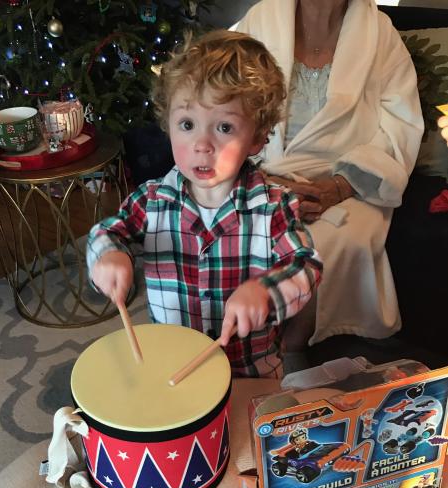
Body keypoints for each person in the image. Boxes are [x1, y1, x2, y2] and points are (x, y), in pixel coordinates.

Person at [87, 29, 322, 378]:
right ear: (168, 125)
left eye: (224, 127)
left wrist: (265, 292)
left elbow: (306, 265)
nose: (202, 144)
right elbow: (108, 232)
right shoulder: (151, 200)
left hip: (250, 373)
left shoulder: (274, 206)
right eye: (187, 124)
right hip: (174, 369)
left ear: (257, 137)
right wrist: (108, 256)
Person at [235, 0, 424, 350]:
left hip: (352, 183)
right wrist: (264, 182)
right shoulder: (260, 20)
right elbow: (226, 106)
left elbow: (400, 125)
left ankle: (291, 349)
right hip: (266, 173)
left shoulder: (380, 33)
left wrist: (340, 186)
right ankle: (244, 340)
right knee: (244, 233)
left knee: (329, 243)